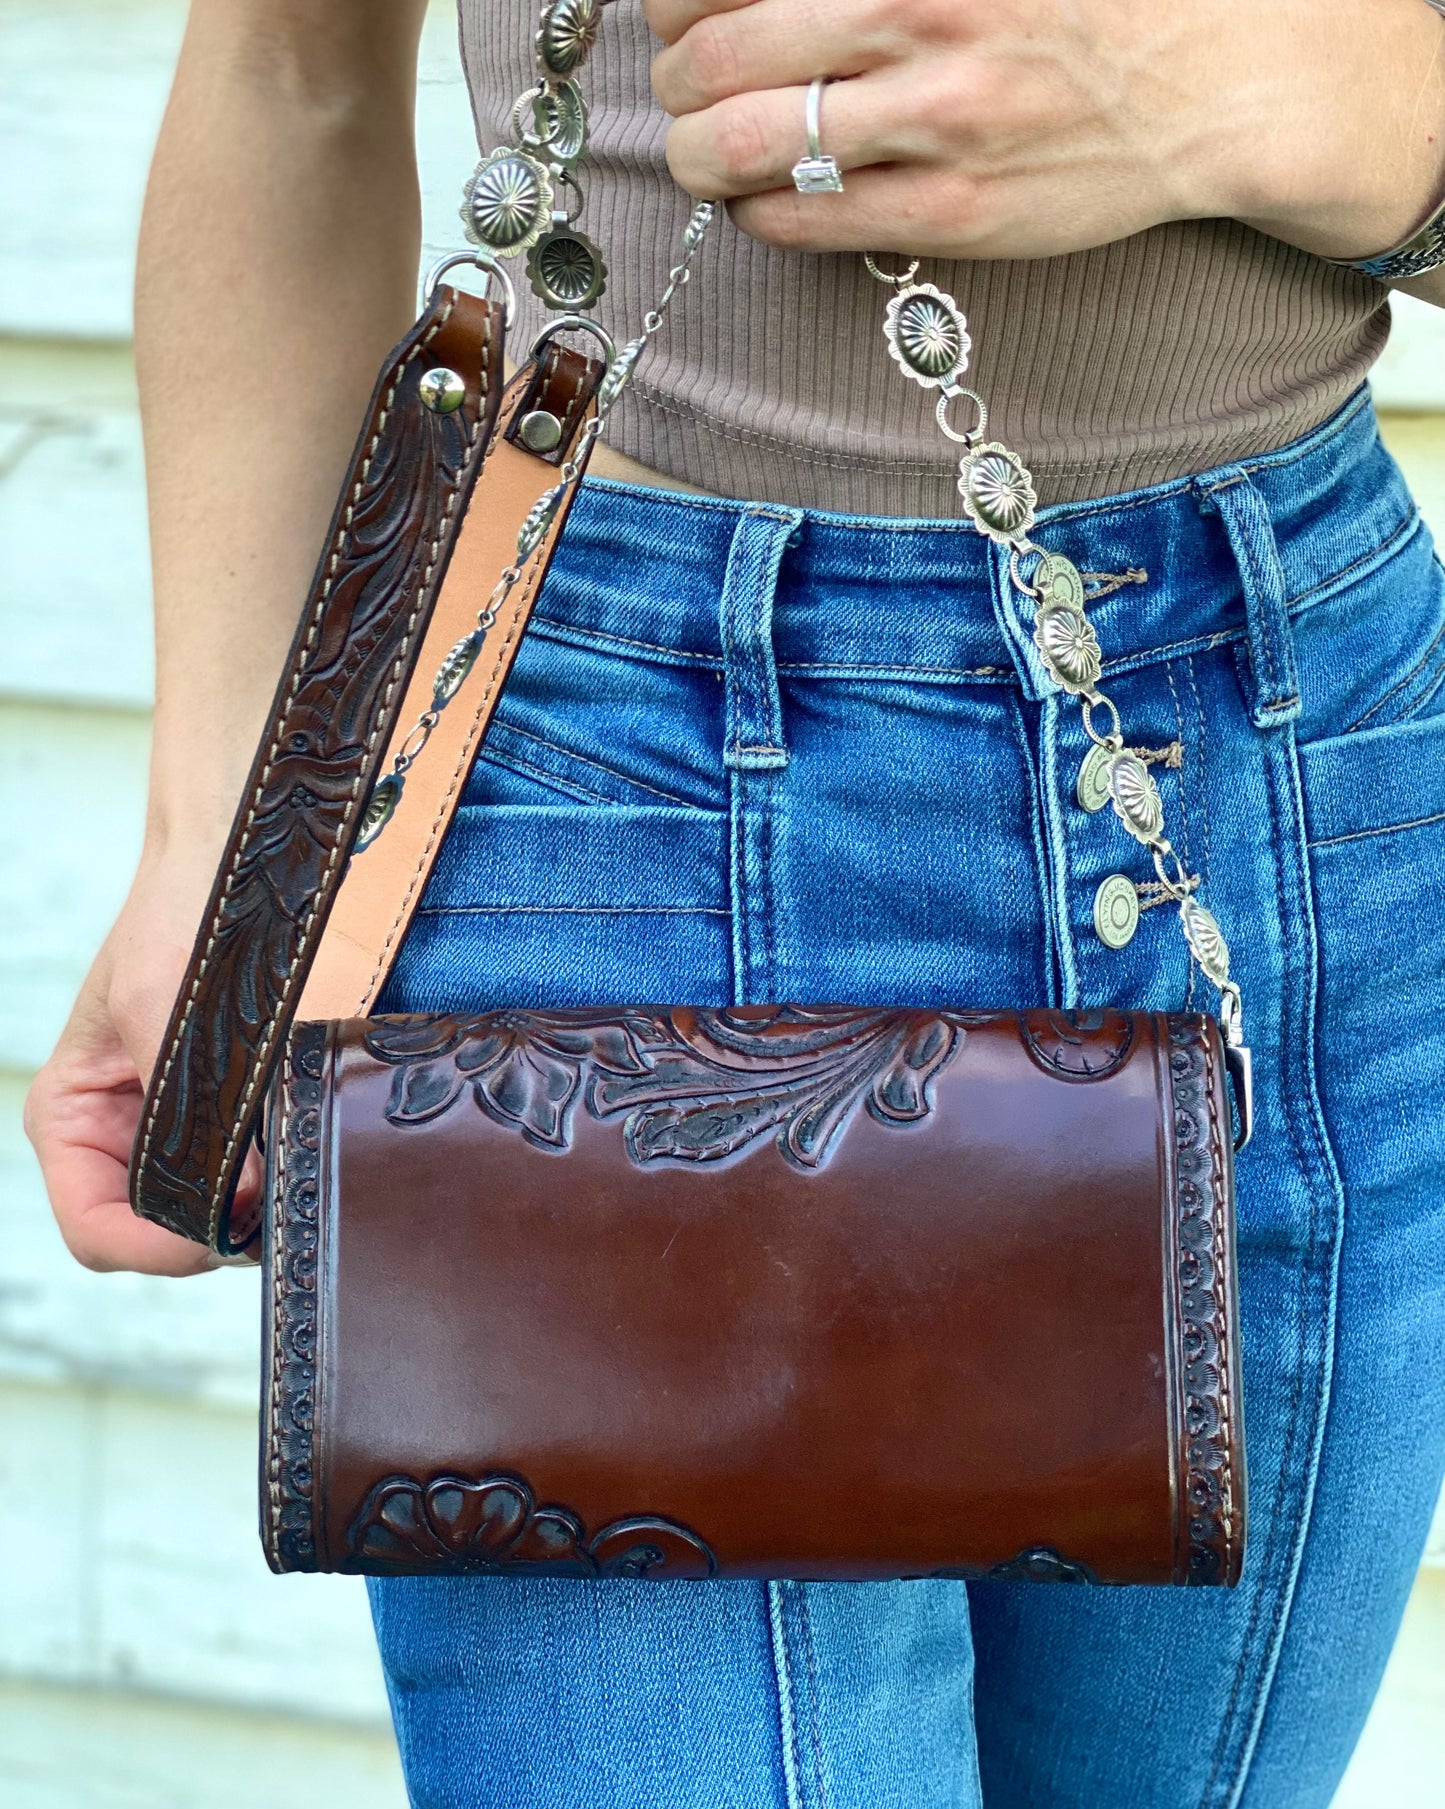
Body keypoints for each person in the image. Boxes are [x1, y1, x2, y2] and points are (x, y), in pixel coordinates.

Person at [24, 0, 1445, 1803]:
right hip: (604, 758)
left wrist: (1304, 100)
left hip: (1292, 751)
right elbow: (290, 68)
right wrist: (229, 837)